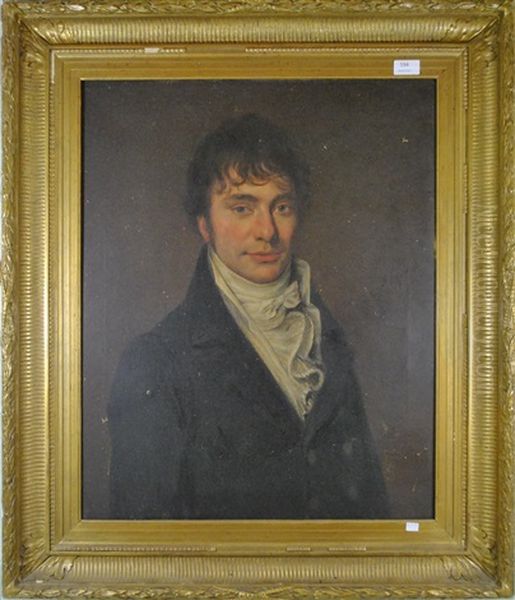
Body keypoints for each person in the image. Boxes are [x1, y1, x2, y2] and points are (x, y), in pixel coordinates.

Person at [108, 114, 389, 519]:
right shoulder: (155, 362)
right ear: (205, 224)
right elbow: (143, 538)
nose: (267, 231)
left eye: (282, 207)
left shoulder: (324, 337)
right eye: (242, 208)